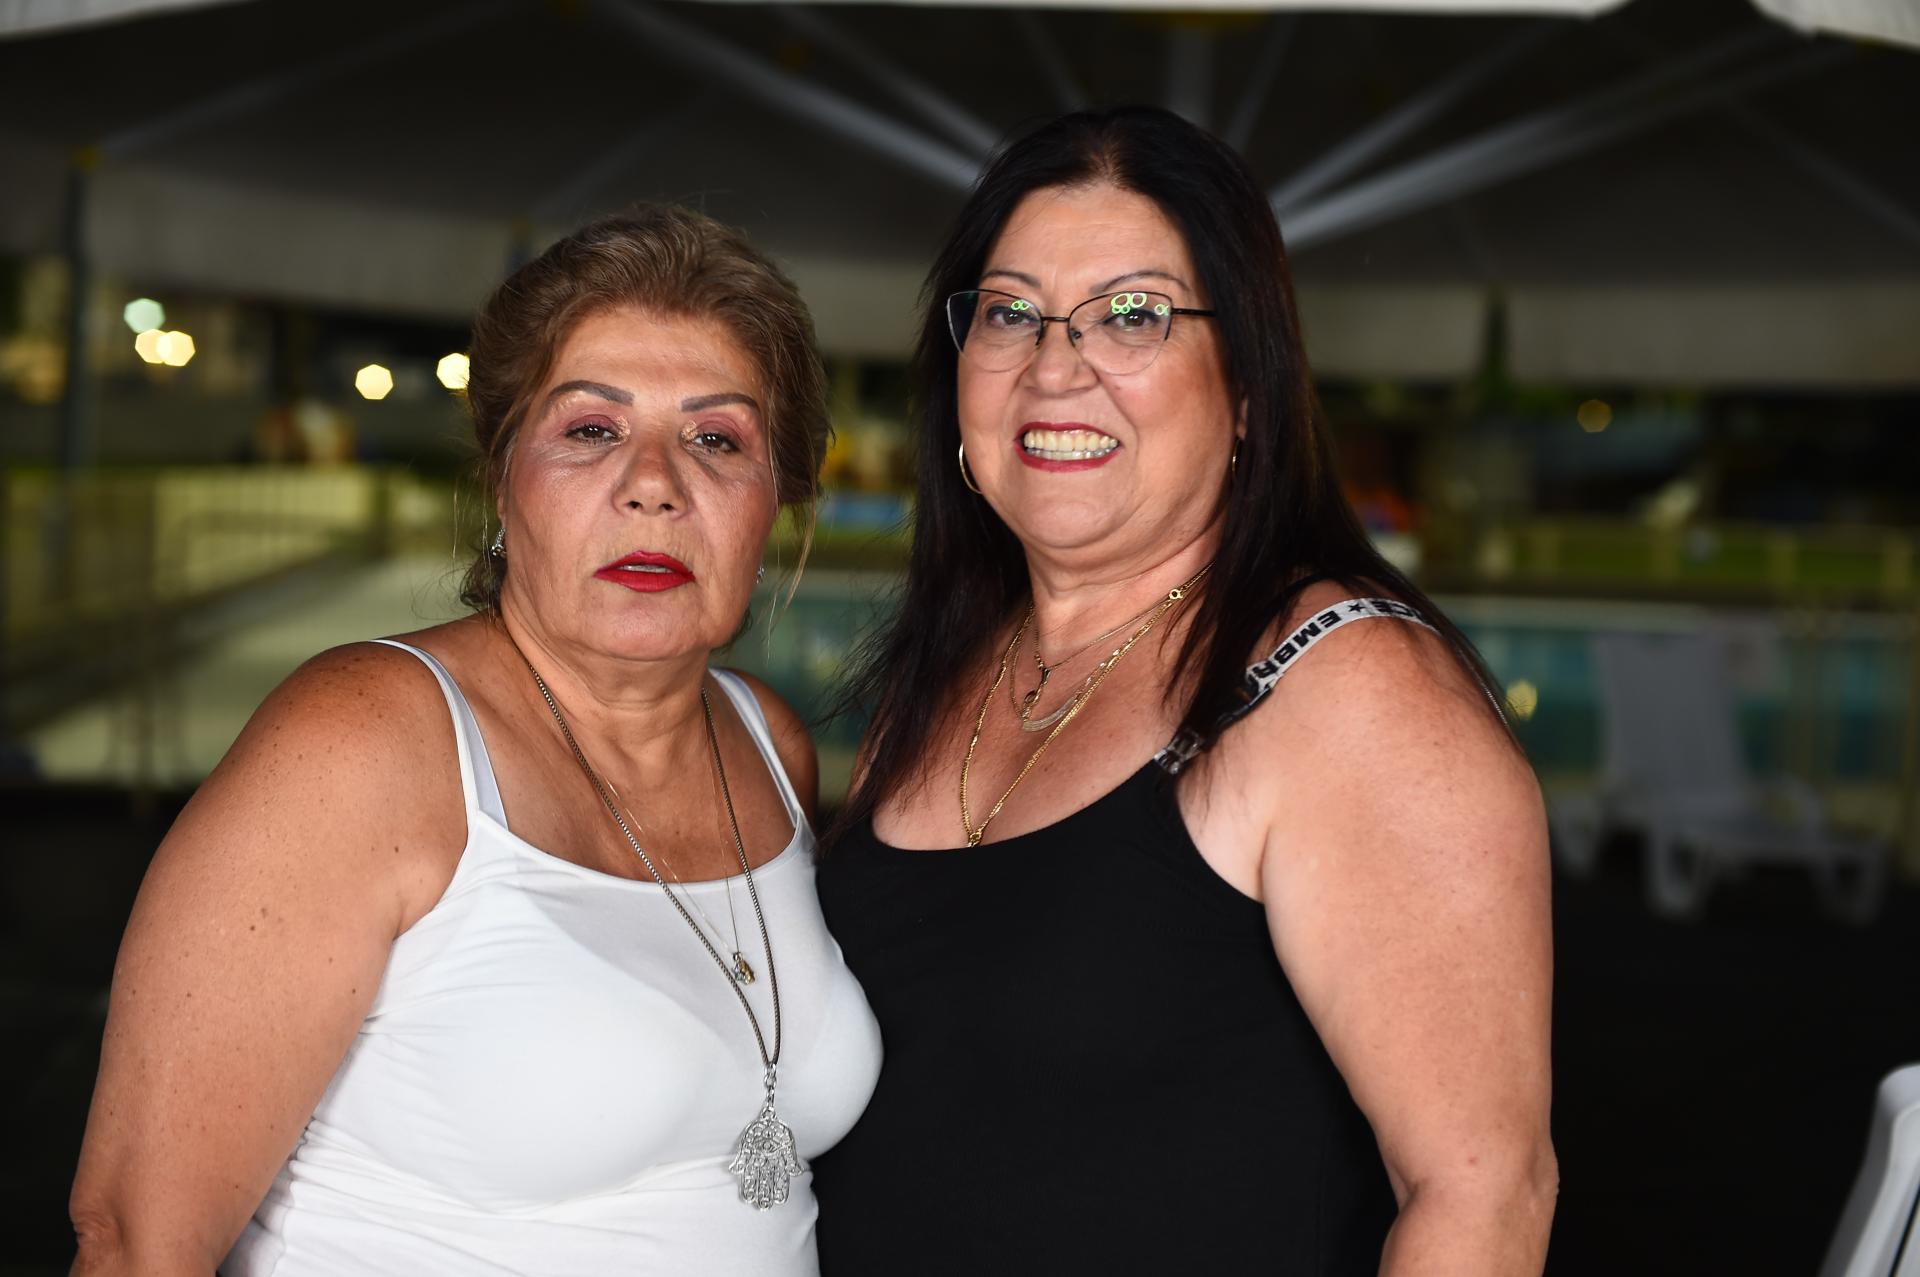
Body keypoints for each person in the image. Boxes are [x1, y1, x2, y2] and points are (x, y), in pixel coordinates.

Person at [68, 207, 881, 1276]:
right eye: (591, 429)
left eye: (716, 439)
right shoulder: (365, 742)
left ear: (776, 502)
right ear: (503, 480)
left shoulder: (767, 747)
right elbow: (135, 1240)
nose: (654, 482)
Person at [812, 107, 1556, 1276]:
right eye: (1009, 313)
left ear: (1248, 385)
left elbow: (1483, 1197)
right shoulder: (948, 673)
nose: (1055, 367)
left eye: (1133, 315)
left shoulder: (1345, 685)